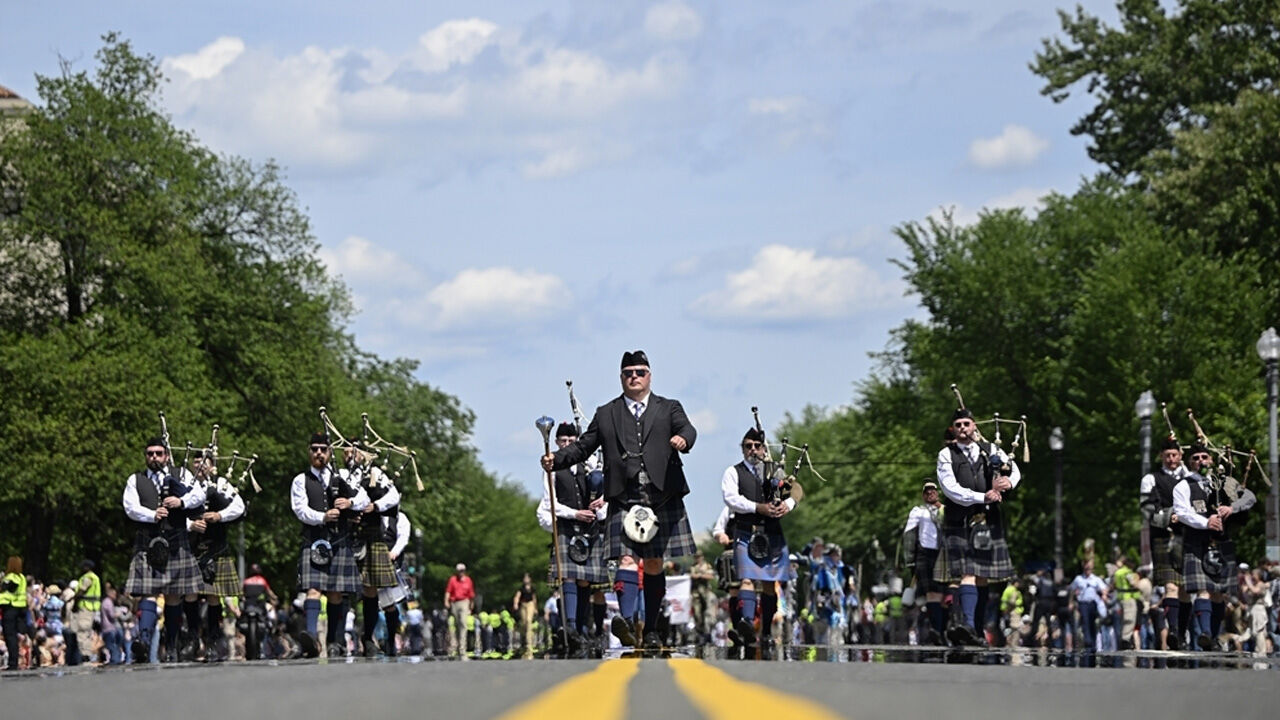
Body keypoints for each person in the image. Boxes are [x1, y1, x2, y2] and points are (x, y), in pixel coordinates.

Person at [542, 350, 697, 651]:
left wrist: (684, 440)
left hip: (662, 496)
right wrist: (555, 459)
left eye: (640, 372)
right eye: (628, 373)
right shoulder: (606, 413)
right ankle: (626, 621)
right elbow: (583, 448)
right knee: (627, 560)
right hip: (624, 498)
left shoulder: (669, 408)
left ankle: (650, 629)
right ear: (621, 377)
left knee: (653, 563)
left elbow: (688, 429)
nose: (634, 377)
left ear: (649, 375)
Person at [936, 408, 1020, 647]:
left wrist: (1008, 482)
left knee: (982, 577)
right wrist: (983, 496)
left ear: (974, 426)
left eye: (966, 424)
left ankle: (977, 630)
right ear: (953, 429)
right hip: (959, 520)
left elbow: (1014, 470)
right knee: (968, 573)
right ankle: (970, 627)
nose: (962, 428)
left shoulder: (990, 450)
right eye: (958, 425)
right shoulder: (946, 454)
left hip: (988, 520)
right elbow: (950, 488)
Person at [123, 437, 207, 663]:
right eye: (150, 453)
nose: (154, 457)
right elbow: (130, 507)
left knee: (173, 596)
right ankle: (144, 640)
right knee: (148, 594)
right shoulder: (136, 479)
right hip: (148, 542)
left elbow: (199, 494)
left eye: (158, 453)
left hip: (176, 540)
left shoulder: (181, 475)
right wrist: (152, 515)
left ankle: (171, 646)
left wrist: (181, 503)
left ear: (166, 455)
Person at [291, 432, 370, 658]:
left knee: (336, 593)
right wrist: (322, 517)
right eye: (314, 449)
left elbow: (364, 498)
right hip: (314, 540)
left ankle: (335, 642)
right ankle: (312, 638)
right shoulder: (300, 480)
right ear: (309, 452)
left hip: (339, 540)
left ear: (329, 452)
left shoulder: (342, 475)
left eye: (323, 449)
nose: (319, 453)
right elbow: (300, 509)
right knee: (313, 590)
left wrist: (350, 502)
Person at [721, 427, 797, 659]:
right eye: (747, 446)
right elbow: (731, 499)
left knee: (768, 582)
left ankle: (764, 631)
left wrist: (789, 504)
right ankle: (745, 624)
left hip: (772, 531)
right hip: (746, 530)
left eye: (757, 445)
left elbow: (796, 489)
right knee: (746, 578)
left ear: (764, 448)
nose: (752, 450)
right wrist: (758, 507)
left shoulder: (774, 471)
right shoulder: (733, 472)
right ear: (742, 449)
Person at [537, 422, 609, 658]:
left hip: (589, 528)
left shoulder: (590, 467)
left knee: (585, 582)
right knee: (568, 576)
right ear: (556, 443)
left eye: (571, 441)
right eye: (562, 441)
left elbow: (606, 495)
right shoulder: (552, 470)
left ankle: (581, 628)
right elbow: (550, 504)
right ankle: (568, 625)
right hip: (567, 526)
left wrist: (601, 501)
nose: (566, 444)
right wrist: (575, 513)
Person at [1173, 444, 1255, 651]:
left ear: (1210, 460)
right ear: (1190, 463)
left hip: (1222, 542)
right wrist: (1205, 522)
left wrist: (1232, 507)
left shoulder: (1224, 482)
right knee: (1203, 590)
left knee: (1219, 593)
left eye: (1204, 457)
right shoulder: (1183, 485)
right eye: (1196, 458)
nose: (1201, 461)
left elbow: (1250, 497)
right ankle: (1205, 633)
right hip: (1197, 542)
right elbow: (1182, 513)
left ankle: (1214, 637)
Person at [187, 450, 246, 661]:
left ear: (212, 466)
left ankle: (212, 641)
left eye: (204, 463)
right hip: (190, 547)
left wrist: (219, 515)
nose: (200, 466)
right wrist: (190, 524)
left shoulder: (221, 483)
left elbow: (238, 507)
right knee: (190, 594)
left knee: (213, 597)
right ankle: (192, 640)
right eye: (196, 462)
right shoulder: (185, 482)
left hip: (216, 546)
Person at [344, 447, 402, 658]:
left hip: (371, 536)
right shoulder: (340, 474)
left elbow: (393, 496)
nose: (350, 455)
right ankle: (337, 640)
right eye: (347, 451)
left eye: (355, 451)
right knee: (339, 588)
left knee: (371, 590)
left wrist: (375, 506)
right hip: (345, 534)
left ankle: (368, 637)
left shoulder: (377, 473)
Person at [1140, 436, 1189, 649]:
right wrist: (1169, 517)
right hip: (1163, 536)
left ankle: (1181, 633)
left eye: (1175, 455)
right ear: (1161, 456)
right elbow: (1146, 508)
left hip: (1188, 536)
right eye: (1167, 455)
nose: (1171, 459)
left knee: (1186, 589)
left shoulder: (1190, 476)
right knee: (1171, 586)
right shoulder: (1151, 479)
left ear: (1180, 456)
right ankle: (1174, 631)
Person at [903, 480, 946, 644]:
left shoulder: (945, 511)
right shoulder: (918, 512)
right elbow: (909, 535)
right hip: (925, 554)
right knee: (932, 595)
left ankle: (943, 629)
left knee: (945, 595)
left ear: (938, 492)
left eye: (933, 490)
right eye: (927, 491)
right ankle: (937, 632)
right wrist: (910, 562)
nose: (930, 493)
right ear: (923, 495)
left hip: (943, 555)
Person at [1071, 559, 1107, 667]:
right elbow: (1071, 589)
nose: (1087, 570)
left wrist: (1103, 594)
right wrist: (1072, 600)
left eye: (1089, 568)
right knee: (1085, 626)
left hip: (1093, 604)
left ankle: (1092, 651)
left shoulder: (1096, 579)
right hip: (1083, 604)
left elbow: (1104, 589)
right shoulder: (1078, 579)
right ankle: (1088, 645)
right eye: (1086, 568)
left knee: (1093, 627)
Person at [69, 559, 101, 665]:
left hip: (85, 608)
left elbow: (81, 591)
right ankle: (86, 655)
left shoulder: (88, 578)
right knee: (86, 632)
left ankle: (85, 656)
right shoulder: (95, 577)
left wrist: (74, 604)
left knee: (82, 632)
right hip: (91, 608)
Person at [444, 563, 475, 660]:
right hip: (454, 603)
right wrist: (446, 601)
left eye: (462, 571)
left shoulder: (468, 580)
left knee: (463, 624)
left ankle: (462, 650)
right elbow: (448, 591)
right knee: (457, 626)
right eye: (459, 571)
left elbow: (471, 594)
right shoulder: (453, 580)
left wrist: (471, 605)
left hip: (464, 602)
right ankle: (458, 649)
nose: (461, 573)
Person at [1, 556, 26, 670]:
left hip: (10, 607)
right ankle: (14, 661)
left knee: (9, 635)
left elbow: (7, 588)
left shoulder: (11, 576)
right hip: (19, 607)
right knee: (13, 636)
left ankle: (12, 662)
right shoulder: (22, 577)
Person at [512, 573, 537, 659]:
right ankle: (524, 645)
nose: (525, 579)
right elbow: (517, 596)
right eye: (524, 578)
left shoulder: (532, 588)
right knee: (524, 624)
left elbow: (534, 598)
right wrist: (515, 604)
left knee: (529, 621)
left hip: (530, 605)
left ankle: (529, 647)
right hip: (523, 605)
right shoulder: (521, 588)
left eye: (527, 578)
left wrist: (535, 608)